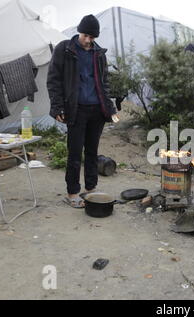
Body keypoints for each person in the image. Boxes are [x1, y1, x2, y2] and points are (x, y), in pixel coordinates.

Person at [47, 14, 118, 208]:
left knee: (92, 152)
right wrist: (57, 106)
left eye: (92, 37)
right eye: (85, 35)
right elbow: (54, 80)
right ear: (79, 32)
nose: (88, 40)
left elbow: (104, 82)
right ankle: (72, 193)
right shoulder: (65, 49)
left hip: (97, 110)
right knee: (75, 152)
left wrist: (110, 107)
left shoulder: (99, 53)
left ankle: (91, 189)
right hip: (75, 109)